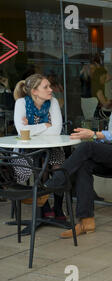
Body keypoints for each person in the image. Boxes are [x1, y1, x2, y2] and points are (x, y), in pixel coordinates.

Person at [44, 71, 112, 238]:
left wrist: (95, 136)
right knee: (84, 163)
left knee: (88, 147)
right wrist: (96, 140)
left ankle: (50, 187)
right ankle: (86, 221)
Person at [13, 73, 66, 223]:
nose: (51, 90)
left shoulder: (53, 102)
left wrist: (31, 128)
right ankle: (45, 205)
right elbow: (21, 132)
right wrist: (44, 125)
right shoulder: (21, 103)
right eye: (46, 87)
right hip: (29, 149)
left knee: (57, 166)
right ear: (34, 91)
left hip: (53, 146)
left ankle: (58, 206)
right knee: (41, 164)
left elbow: (56, 130)